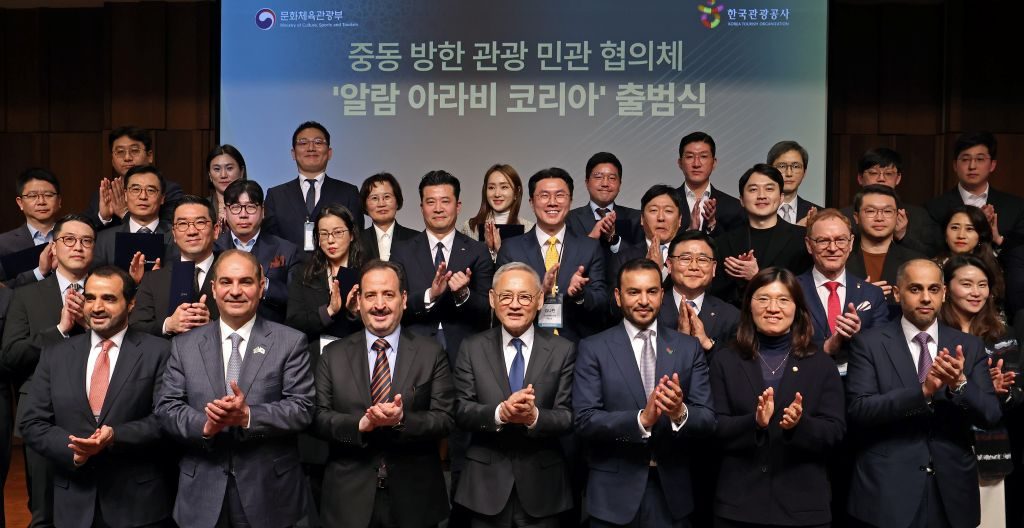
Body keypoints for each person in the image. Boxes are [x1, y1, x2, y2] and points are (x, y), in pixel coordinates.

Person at [156, 249, 315, 527]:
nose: (235, 291)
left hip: (269, 493)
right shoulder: (184, 345)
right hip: (201, 492)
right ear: (213, 288)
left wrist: (248, 416)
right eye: (226, 282)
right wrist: (206, 425)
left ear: (261, 287)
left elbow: (302, 408)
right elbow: (167, 408)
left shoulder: (290, 342)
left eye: (246, 282)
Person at [846, 259, 1002, 528]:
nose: (926, 298)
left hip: (952, 492)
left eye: (933, 289)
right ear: (897, 293)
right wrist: (923, 392)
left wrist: (960, 384)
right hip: (889, 491)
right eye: (915, 289)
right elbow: (860, 410)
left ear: (944, 293)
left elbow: (991, 415)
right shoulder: (869, 343)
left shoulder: (968, 346)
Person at [20, 266, 174, 528]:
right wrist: (75, 451)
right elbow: (32, 422)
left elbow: (166, 420)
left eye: (109, 298)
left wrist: (115, 435)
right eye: (90, 298)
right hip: (73, 504)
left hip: (138, 506)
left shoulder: (159, 352)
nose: (97, 307)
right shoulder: (56, 354)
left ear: (131, 303)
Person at [312, 260, 455, 528]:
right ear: (359, 302)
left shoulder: (431, 352)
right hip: (347, 500)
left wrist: (402, 420)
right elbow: (318, 418)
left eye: (388, 294)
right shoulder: (332, 355)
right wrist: (360, 424)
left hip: (415, 499)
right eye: (371, 296)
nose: (379, 305)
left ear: (403, 299)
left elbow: (446, 419)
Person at [573, 258, 715, 527]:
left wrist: (679, 413)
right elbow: (584, 419)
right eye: (633, 292)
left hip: (671, 495)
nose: (643, 301)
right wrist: (641, 420)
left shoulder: (688, 348)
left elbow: (708, 419)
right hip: (612, 497)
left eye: (651, 291)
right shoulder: (593, 348)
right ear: (618, 297)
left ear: (662, 295)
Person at [709, 267, 845, 527]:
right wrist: (755, 423)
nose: (773, 308)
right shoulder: (726, 360)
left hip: (803, 508)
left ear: (797, 308)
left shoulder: (821, 363)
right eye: (763, 299)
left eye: (783, 299)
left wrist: (799, 424)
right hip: (739, 508)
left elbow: (835, 432)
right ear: (749, 306)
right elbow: (713, 427)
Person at [452, 262, 575, 527]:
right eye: (506, 296)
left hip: (543, 489)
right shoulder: (472, 347)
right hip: (483, 489)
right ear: (492, 299)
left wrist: (534, 417)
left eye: (525, 297)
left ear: (540, 300)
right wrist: (500, 413)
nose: (515, 305)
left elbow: (567, 416)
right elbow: (460, 410)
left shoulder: (563, 350)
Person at [1, 213, 96, 527]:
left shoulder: (108, 291)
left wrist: (92, 327)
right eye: (69, 239)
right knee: (44, 511)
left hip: (99, 412)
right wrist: (59, 330)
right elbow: (11, 356)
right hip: (42, 416)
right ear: (53, 248)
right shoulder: (26, 295)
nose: (78, 247)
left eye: (86, 241)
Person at [939, 255, 1021, 528]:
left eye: (982, 285)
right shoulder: (934, 331)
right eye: (967, 284)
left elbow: (1016, 395)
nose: (976, 292)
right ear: (946, 288)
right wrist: (977, 388)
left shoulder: (1002, 334)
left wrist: (1000, 392)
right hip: (942, 444)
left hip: (989, 447)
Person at [389, 170, 495, 365]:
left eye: (445, 201)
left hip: (465, 352)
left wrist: (464, 294)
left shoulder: (478, 251)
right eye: (430, 202)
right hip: (414, 351)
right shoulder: (401, 251)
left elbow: (487, 307)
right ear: (422, 207)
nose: (438, 209)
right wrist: (430, 294)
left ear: (458, 206)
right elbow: (394, 302)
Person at [497, 168, 609, 342]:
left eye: (560, 195)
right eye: (544, 196)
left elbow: (602, 301)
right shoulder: (511, 249)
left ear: (570, 200)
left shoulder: (590, 247)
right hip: (527, 344)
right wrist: (540, 293)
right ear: (531, 202)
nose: (552, 202)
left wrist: (580, 295)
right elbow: (501, 302)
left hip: (577, 346)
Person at [795, 209, 889, 363]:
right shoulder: (792, 290)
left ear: (851, 243)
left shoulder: (872, 294)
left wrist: (857, 335)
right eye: (823, 241)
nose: (832, 248)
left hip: (858, 375)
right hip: (807, 374)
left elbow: (882, 348)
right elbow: (782, 344)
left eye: (840, 240)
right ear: (809, 245)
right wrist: (826, 347)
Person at [711, 164, 812, 305]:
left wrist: (757, 276)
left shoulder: (801, 239)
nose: (761, 196)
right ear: (741, 200)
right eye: (753, 189)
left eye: (769, 189)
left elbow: (806, 290)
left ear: (781, 197)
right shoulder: (723, 243)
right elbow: (715, 295)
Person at [264, 121, 364, 253]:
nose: (311, 148)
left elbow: (356, 241)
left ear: (329, 153)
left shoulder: (348, 193)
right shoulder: (276, 195)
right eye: (303, 143)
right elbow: (270, 243)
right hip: (289, 266)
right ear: (293, 153)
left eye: (318, 142)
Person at [128, 195, 220, 337]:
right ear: (174, 234)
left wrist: (212, 326)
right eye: (182, 224)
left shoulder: (234, 273)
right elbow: (136, 326)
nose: (192, 231)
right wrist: (168, 325)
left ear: (216, 230)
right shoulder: (153, 279)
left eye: (200, 222)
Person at [213, 180, 300, 323]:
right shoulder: (214, 249)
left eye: (251, 207)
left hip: (271, 330)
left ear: (263, 211)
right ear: (226, 212)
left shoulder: (286, 249)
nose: (243, 214)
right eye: (235, 207)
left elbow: (297, 300)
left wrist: (264, 284)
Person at [287, 204, 365, 360]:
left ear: (351, 235)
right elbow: (293, 322)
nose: (330, 240)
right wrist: (328, 311)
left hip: (358, 357)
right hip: (315, 359)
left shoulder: (366, 273)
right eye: (323, 234)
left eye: (338, 233)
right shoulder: (304, 274)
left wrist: (354, 313)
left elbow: (382, 322)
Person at [926, 131, 1024, 252]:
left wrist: (998, 239)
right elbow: (932, 250)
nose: (972, 166)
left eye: (980, 159)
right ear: (955, 165)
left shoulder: (1016, 207)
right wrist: (976, 220)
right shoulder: (934, 208)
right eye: (965, 159)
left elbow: (1020, 253)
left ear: (992, 165)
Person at [840, 147, 941, 256]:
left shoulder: (920, 216)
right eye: (873, 173)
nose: (881, 179)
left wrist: (902, 236)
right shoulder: (843, 217)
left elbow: (931, 256)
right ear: (860, 178)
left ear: (898, 178)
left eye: (888, 174)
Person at [86, 126, 184, 230]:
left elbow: (172, 231)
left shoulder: (169, 191)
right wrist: (103, 218)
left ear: (149, 156)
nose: (127, 158)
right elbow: (82, 231)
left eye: (134, 151)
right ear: (112, 160)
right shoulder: (105, 194)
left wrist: (124, 213)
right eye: (120, 152)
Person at [660, 230, 740, 357]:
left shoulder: (731, 316)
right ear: (669, 265)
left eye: (702, 260)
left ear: (713, 268)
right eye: (685, 258)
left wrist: (707, 344)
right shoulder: (652, 309)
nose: (694, 267)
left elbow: (735, 365)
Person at [845, 185, 924, 308]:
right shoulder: (840, 258)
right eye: (870, 211)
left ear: (897, 216)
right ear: (856, 217)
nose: (879, 218)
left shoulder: (916, 262)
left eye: (887, 211)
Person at [92, 165, 174, 269]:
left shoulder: (176, 236)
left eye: (150, 190)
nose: (143, 196)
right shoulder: (104, 239)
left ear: (162, 198)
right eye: (135, 189)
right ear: (125, 195)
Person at [566, 152, 644, 254]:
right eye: (598, 177)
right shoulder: (569, 219)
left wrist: (614, 240)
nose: (605, 183)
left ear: (620, 184)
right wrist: (591, 240)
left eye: (612, 178)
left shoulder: (637, 219)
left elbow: (641, 257)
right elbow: (567, 258)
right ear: (587, 183)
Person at [609, 185, 684, 285]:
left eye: (668, 211)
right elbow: (615, 294)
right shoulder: (623, 259)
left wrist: (661, 270)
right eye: (653, 210)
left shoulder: (690, 257)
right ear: (642, 219)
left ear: (679, 220)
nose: (661, 218)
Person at [0, 168, 62, 288]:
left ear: (59, 200)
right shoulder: (3, 244)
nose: (41, 202)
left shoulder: (75, 237)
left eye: (48, 195)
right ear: (20, 203)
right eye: (32, 196)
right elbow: (3, 288)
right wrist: (38, 273)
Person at [676, 131, 745, 235]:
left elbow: (736, 243)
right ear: (680, 163)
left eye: (703, 156)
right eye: (690, 156)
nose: (696, 164)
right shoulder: (666, 203)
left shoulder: (734, 207)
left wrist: (712, 225)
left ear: (714, 163)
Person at [460, 164, 535, 259]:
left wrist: (500, 250)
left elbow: (528, 267)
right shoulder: (470, 227)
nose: (497, 194)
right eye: (491, 188)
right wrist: (487, 248)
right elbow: (464, 264)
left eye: (504, 187)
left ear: (516, 192)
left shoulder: (529, 229)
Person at [936, 205, 1005, 303]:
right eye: (955, 228)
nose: (961, 235)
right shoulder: (933, 268)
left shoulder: (993, 266)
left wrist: (998, 239)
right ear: (945, 234)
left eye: (969, 229)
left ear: (980, 235)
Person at [359, 172, 418, 261]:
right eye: (374, 198)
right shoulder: (356, 241)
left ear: (397, 201)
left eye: (387, 197)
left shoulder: (416, 239)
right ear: (365, 205)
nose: (381, 204)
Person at [767, 140, 822, 225]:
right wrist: (798, 228)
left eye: (796, 166)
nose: (789, 173)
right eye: (782, 166)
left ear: (804, 173)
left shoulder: (819, 215)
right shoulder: (756, 211)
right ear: (769, 171)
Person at [206, 144, 247, 229]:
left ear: (241, 172)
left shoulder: (256, 207)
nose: (223, 175)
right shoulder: (202, 207)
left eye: (229, 168)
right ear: (210, 175)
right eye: (217, 169)